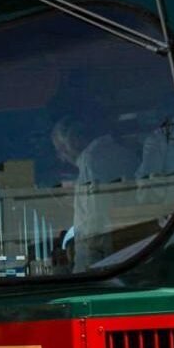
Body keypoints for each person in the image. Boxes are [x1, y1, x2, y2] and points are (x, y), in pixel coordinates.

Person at [51, 116, 138, 272]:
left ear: (74, 141)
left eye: (61, 149)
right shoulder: (119, 152)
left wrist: (84, 273)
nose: (62, 158)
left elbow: (94, 230)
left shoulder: (90, 161)